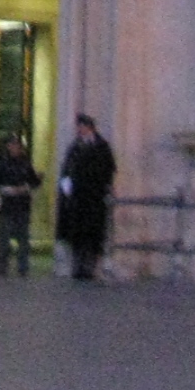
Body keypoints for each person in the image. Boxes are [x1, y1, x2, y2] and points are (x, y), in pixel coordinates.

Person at [57, 114, 116, 281]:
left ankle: (90, 267)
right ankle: (78, 266)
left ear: (89, 127)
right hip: (77, 199)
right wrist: (66, 187)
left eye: (82, 127)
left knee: (93, 233)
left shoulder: (101, 147)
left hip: (94, 199)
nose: (79, 130)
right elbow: (67, 169)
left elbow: (108, 171)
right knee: (76, 233)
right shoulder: (75, 146)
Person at [0, 134, 45, 276]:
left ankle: (23, 267)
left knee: (23, 238)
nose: (15, 148)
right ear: (7, 146)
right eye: (12, 145)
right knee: (4, 239)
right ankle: (1, 266)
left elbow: (33, 181)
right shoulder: (1, 163)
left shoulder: (25, 163)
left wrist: (31, 183)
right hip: (6, 205)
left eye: (17, 145)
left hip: (22, 204)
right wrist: (4, 188)